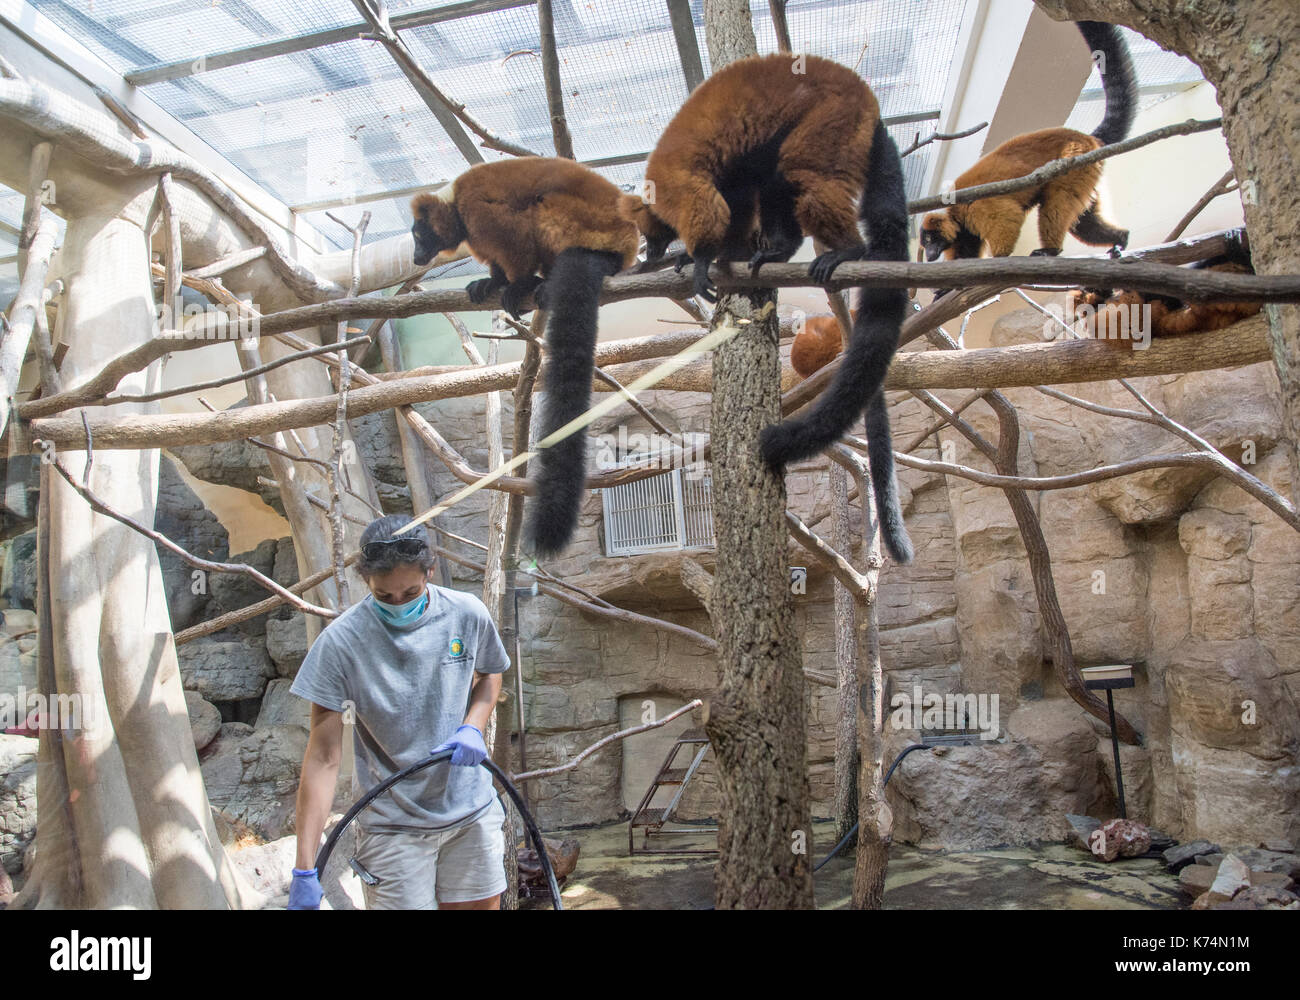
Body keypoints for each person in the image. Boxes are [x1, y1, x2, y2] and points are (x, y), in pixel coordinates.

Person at [286, 514, 512, 910]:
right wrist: (305, 867)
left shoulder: (466, 613)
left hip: (470, 814)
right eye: (384, 596)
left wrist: (473, 726)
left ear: (431, 571)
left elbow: (491, 673)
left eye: (410, 593)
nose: (398, 604)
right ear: (367, 583)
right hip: (393, 827)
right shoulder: (341, 644)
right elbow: (323, 757)